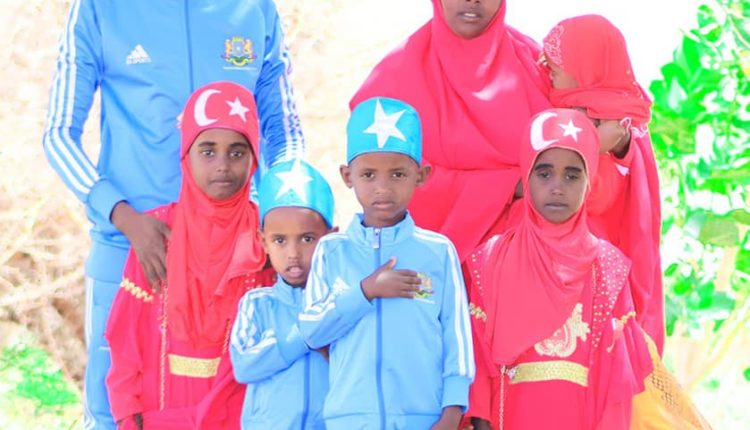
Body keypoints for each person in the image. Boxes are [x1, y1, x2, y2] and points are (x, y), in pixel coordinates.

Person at [42, 1, 304, 427]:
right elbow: (58, 135)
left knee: (240, 411)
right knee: (112, 413)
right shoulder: (97, 9)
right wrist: (122, 216)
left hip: (238, 261)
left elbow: (285, 128)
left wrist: (282, 209)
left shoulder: (254, 8)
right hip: (130, 249)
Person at [467, 108, 653, 429]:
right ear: (526, 175)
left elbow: (615, 380)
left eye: (572, 174)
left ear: (590, 179)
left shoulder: (606, 266)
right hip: (510, 417)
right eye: (544, 173)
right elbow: (478, 362)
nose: (557, 186)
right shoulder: (490, 259)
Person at [298, 97, 475, 429]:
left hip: (422, 418)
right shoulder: (331, 251)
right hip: (349, 420)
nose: (383, 188)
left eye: (397, 174)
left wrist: (451, 413)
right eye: (368, 174)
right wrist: (365, 291)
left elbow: (457, 338)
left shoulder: (437, 252)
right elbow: (312, 332)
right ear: (347, 176)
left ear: (420, 176)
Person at [105, 81, 271, 430]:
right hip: (158, 416)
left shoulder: (268, 237)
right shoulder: (155, 232)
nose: (223, 165)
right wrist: (125, 414)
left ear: (254, 158)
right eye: (207, 151)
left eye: (237, 152)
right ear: (186, 155)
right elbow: (126, 337)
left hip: (241, 417)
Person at [351, 0, 550, 261]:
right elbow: (380, 181)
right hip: (423, 274)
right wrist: (505, 187)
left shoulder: (538, 67)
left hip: (530, 265)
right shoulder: (393, 80)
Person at [539, 14, 664, 353]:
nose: (546, 65)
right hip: (552, 264)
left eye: (557, 60)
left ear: (586, 63)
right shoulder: (549, 107)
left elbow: (636, 189)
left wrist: (613, 143)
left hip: (607, 264)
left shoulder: (625, 114)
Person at [230, 158, 334, 429]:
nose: (293, 253)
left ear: (330, 239)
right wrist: (306, 335)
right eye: (280, 240)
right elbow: (244, 366)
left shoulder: (338, 305)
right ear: (263, 241)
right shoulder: (256, 305)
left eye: (307, 239)